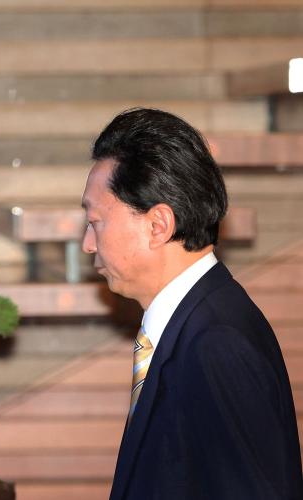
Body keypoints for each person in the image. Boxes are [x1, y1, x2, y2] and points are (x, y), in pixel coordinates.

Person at [81, 108, 303, 500]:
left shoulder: (217, 342)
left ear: (157, 225)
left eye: (96, 222)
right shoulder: (197, 323)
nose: (88, 243)